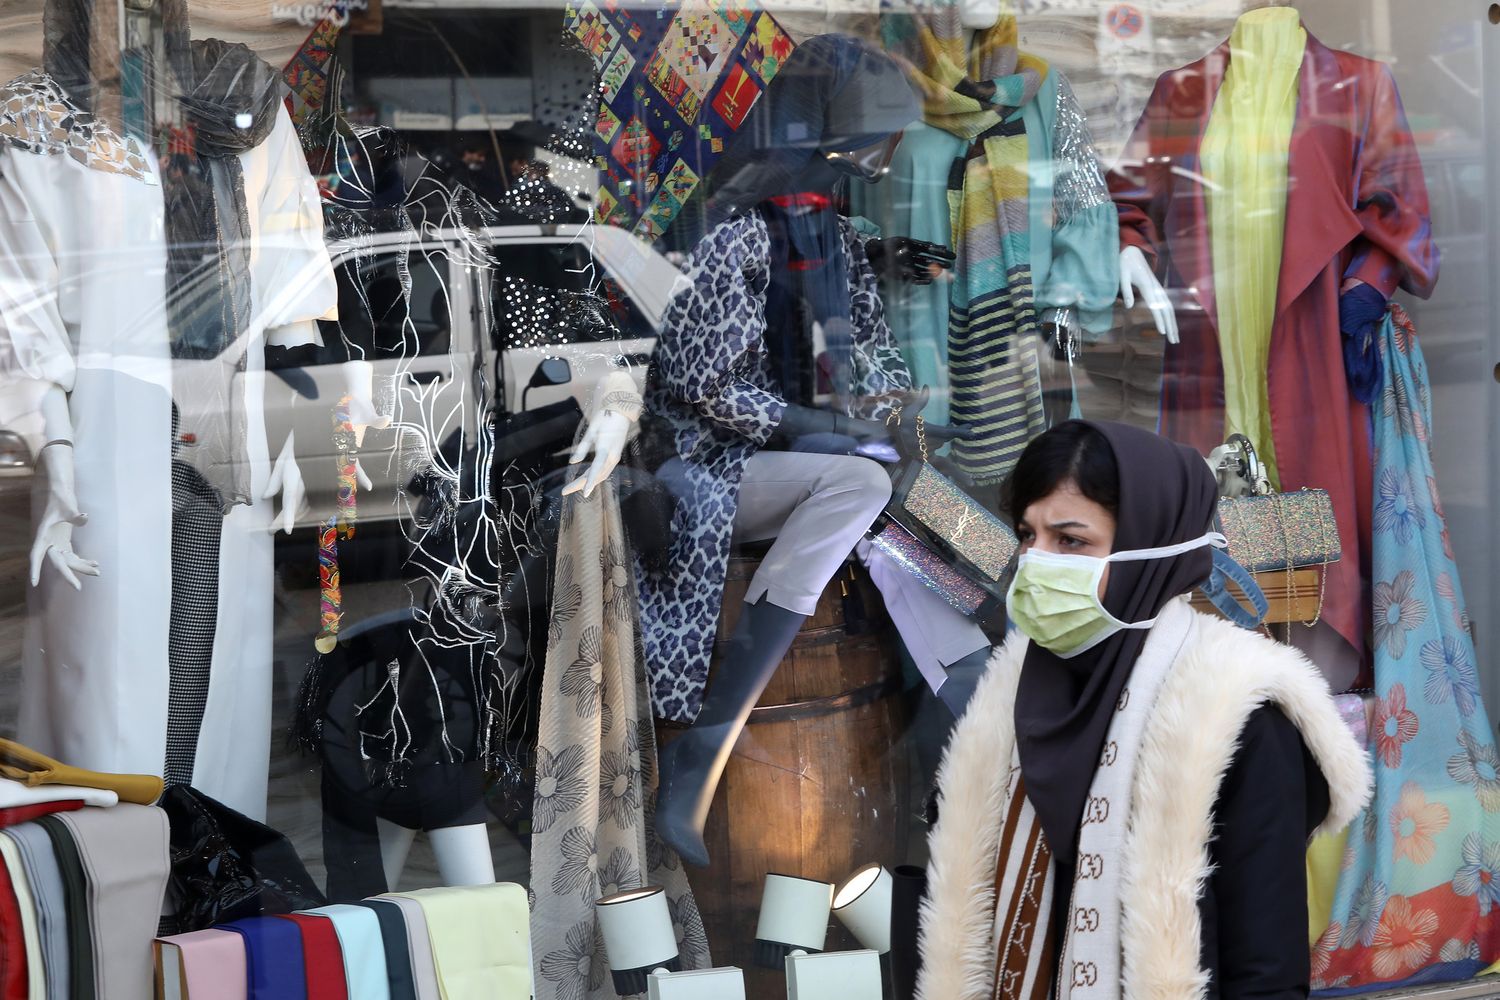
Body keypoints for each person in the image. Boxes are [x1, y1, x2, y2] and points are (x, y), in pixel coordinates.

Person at [635, 33, 994, 868]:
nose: (885, 158)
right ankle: (707, 743)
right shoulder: (735, 230)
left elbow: (870, 350)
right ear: (836, 135)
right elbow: (700, 383)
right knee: (860, 483)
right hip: (708, 466)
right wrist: (818, 429)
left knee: (918, 499)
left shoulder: (832, 231)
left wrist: (900, 411)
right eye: (880, 139)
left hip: (806, 459)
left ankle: (981, 703)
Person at [915, 420, 1371, 999]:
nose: (1036, 562)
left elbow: (1266, 970)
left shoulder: (1234, 714)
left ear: (1147, 548)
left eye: (1071, 541)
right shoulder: (1010, 695)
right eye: (1028, 535)